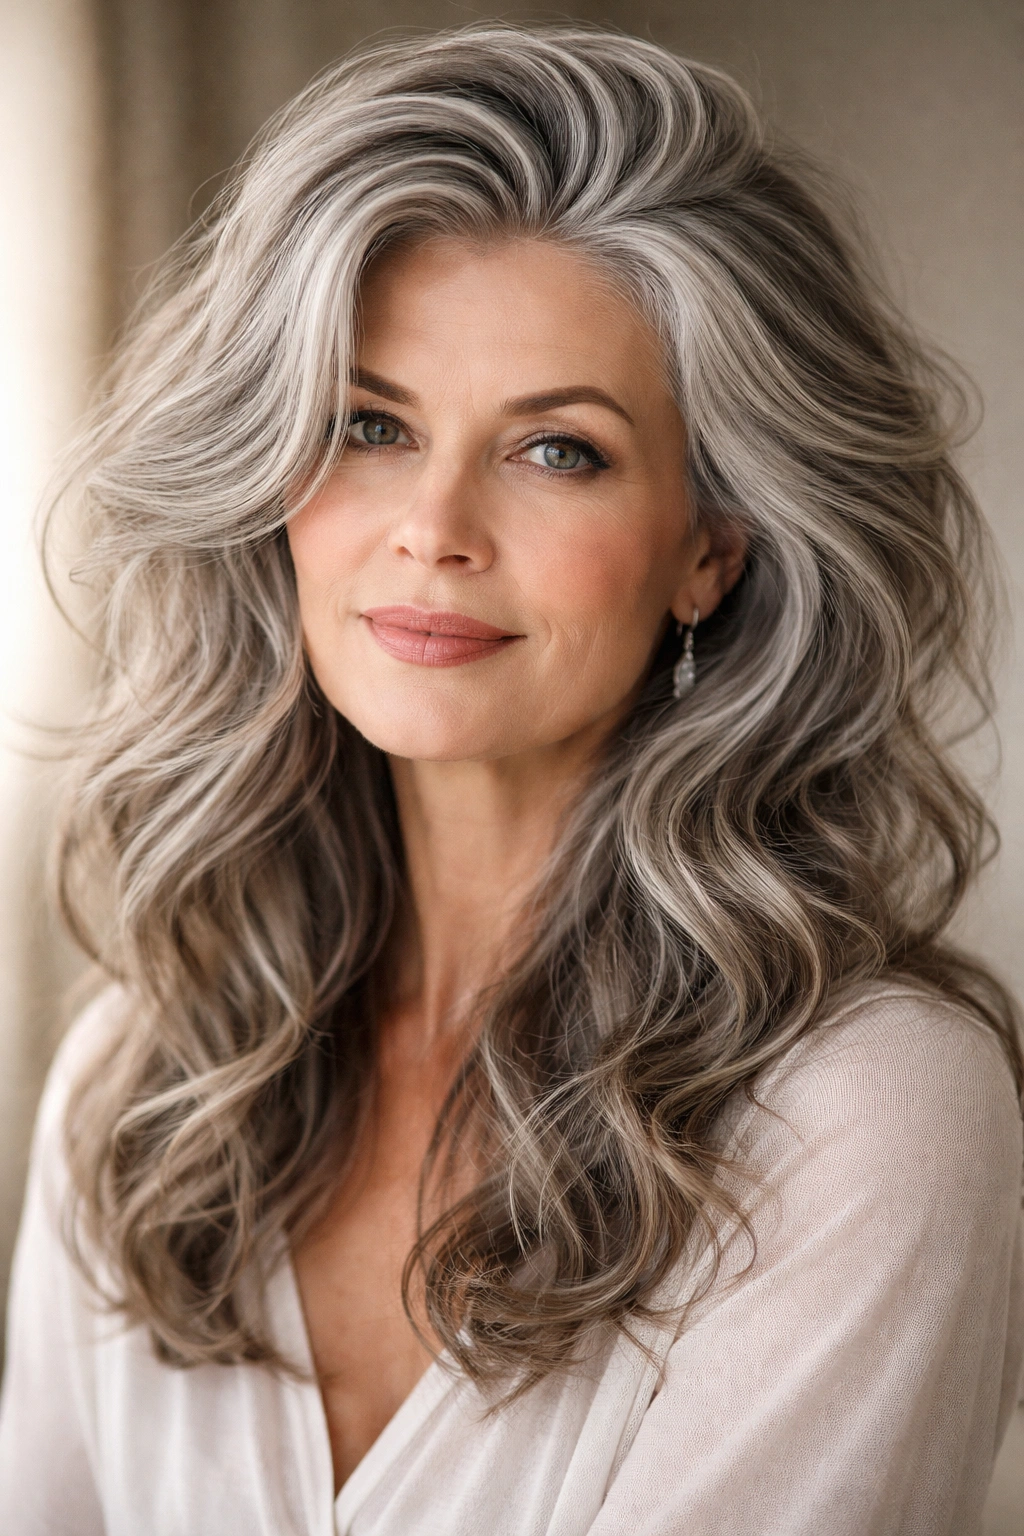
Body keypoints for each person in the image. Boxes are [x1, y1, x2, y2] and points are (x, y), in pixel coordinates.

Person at [0, 24, 1020, 1536]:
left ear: (710, 551)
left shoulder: (870, 1108)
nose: (432, 527)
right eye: (368, 426)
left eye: (559, 452)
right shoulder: (144, 1079)